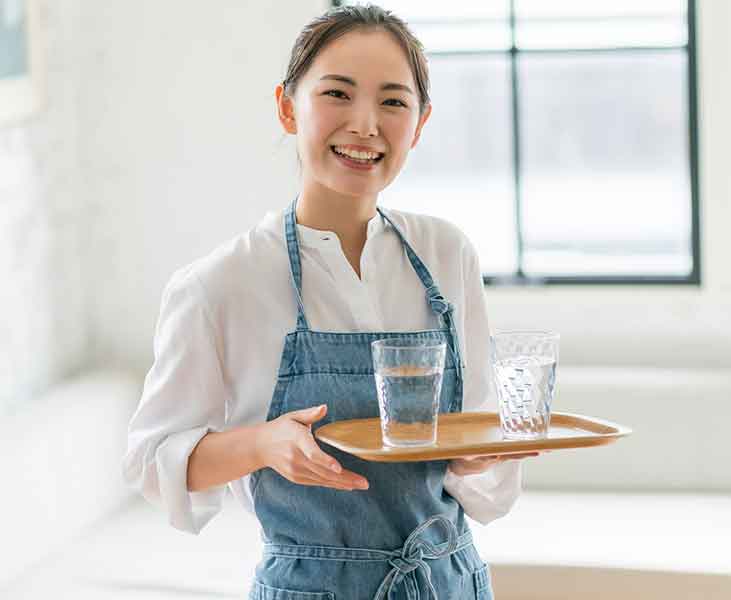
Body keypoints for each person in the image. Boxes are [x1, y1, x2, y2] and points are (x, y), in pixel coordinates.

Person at [122, 5, 537, 600]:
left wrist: (479, 459)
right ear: (288, 107)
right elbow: (150, 463)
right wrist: (262, 445)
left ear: (419, 126)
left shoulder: (447, 256)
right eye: (338, 94)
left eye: (393, 102)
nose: (366, 124)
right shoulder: (219, 285)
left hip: (449, 582)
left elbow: (482, 466)